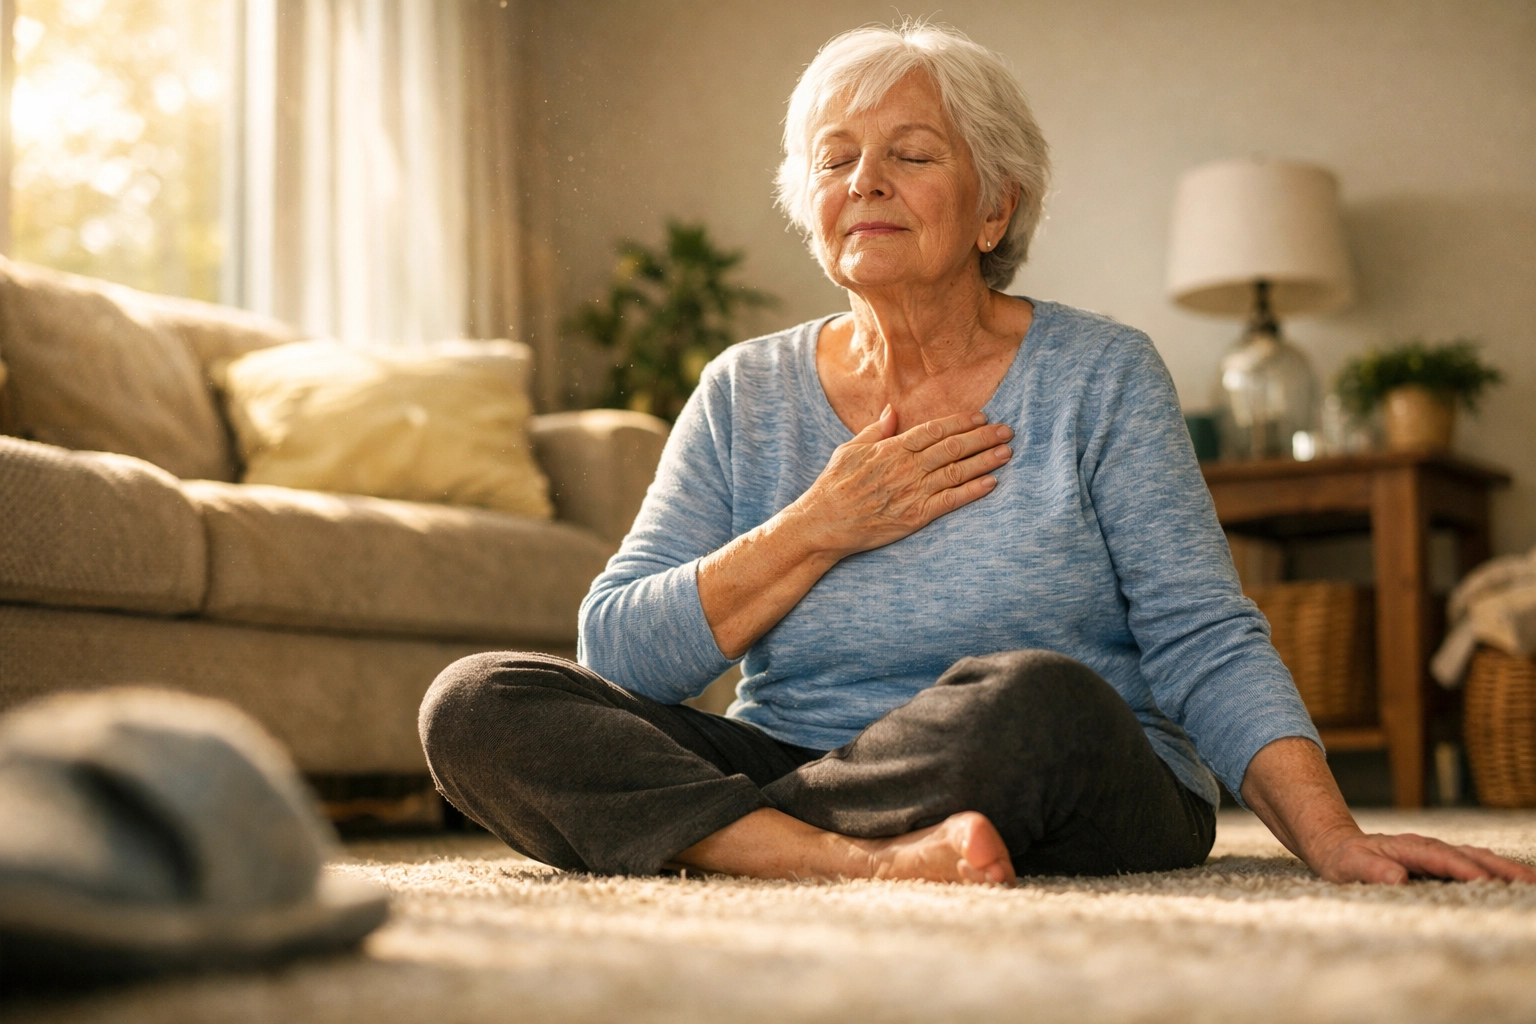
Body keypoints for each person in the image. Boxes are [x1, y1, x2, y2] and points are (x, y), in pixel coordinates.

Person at [420, 22, 1535, 887]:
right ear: (812, 208)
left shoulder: (1101, 373)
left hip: (1055, 766)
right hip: (805, 761)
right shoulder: (743, 390)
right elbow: (615, 653)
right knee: (475, 703)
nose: (866, 180)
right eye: (838, 159)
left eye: (910, 154)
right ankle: (852, 862)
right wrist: (820, 524)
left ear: (996, 208)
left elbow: (1200, 632)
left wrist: (1332, 839)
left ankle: (736, 841)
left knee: (1038, 700)